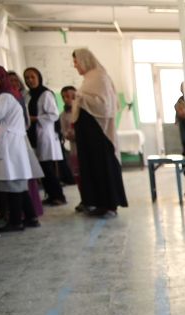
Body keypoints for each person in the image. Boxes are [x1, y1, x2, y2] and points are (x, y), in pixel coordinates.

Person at [0, 64, 40, 232]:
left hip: (9, 146)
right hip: (10, 145)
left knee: (13, 184)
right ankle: (31, 217)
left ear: (2, 79)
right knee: (18, 184)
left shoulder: (4, 96)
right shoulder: (5, 95)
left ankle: (15, 222)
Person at [71, 48, 127, 217]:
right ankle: (97, 202)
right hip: (88, 135)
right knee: (91, 168)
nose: (75, 66)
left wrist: (81, 99)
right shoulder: (89, 78)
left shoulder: (99, 77)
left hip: (99, 134)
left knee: (103, 168)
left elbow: (105, 105)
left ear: (84, 60)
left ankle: (109, 204)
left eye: (76, 62)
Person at [23, 67, 66, 206]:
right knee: (41, 168)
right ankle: (50, 195)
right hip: (32, 134)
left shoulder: (46, 94)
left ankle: (59, 196)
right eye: (27, 77)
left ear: (39, 78)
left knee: (48, 168)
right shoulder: (28, 95)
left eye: (32, 77)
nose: (30, 80)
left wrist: (35, 118)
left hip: (44, 134)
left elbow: (53, 115)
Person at [58, 85, 85, 211]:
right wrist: (68, 135)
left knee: (88, 175)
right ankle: (84, 200)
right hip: (74, 150)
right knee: (78, 176)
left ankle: (94, 200)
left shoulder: (83, 111)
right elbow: (63, 131)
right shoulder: (63, 115)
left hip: (86, 149)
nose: (69, 99)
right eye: (65, 97)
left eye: (73, 96)